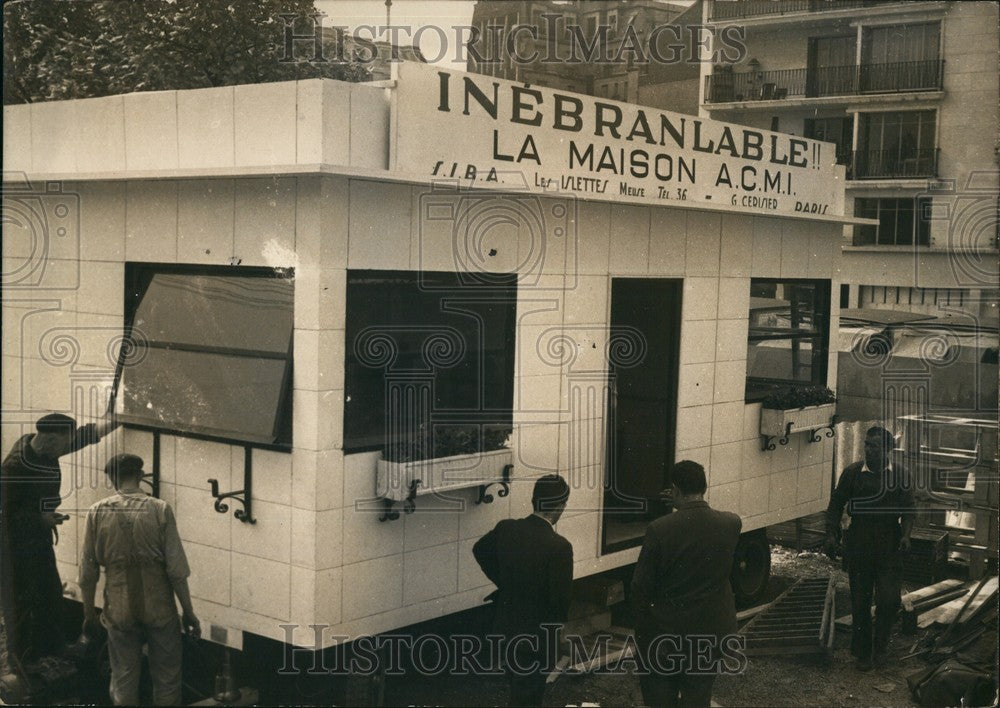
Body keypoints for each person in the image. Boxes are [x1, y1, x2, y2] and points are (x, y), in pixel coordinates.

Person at [79, 453, 200, 706]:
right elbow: (177, 570)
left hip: (119, 605)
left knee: (123, 677)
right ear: (141, 476)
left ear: (112, 478)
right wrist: (188, 612)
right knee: (167, 680)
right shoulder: (160, 509)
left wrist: (89, 614)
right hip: (159, 605)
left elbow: (87, 575)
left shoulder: (97, 512)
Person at [0, 412, 119, 665]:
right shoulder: (14, 467)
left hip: (37, 539)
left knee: (51, 592)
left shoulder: (44, 448)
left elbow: (80, 438)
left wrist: (113, 422)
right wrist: (39, 519)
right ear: (52, 440)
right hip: (13, 547)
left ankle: (52, 648)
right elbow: (5, 515)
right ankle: (19, 662)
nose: (68, 448)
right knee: (21, 603)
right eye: (65, 444)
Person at [631, 460, 742, 708]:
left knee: (660, 698)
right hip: (710, 634)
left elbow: (640, 587)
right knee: (697, 697)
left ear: (675, 490)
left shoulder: (659, 529)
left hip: (666, 635)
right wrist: (684, 505)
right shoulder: (731, 524)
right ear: (705, 486)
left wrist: (642, 630)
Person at [473, 475, 574, 707]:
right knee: (529, 694)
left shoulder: (507, 528)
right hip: (537, 634)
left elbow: (480, 549)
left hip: (506, 624)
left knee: (516, 684)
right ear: (560, 506)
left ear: (533, 499)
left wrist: (504, 582)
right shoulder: (559, 546)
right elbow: (560, 600)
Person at [826, 426, 913, 671]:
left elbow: (908, 511)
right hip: (860, 541)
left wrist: (906, 536)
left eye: (875, 446)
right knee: (860, 601)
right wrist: (830, 534)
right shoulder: (853, 473)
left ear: (888, 449)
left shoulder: (901, 475)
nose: (869, 450)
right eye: (867, 444)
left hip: (889, 543)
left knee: (888, 600)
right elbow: (835, 504)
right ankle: (863, 653)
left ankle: (881, 647)